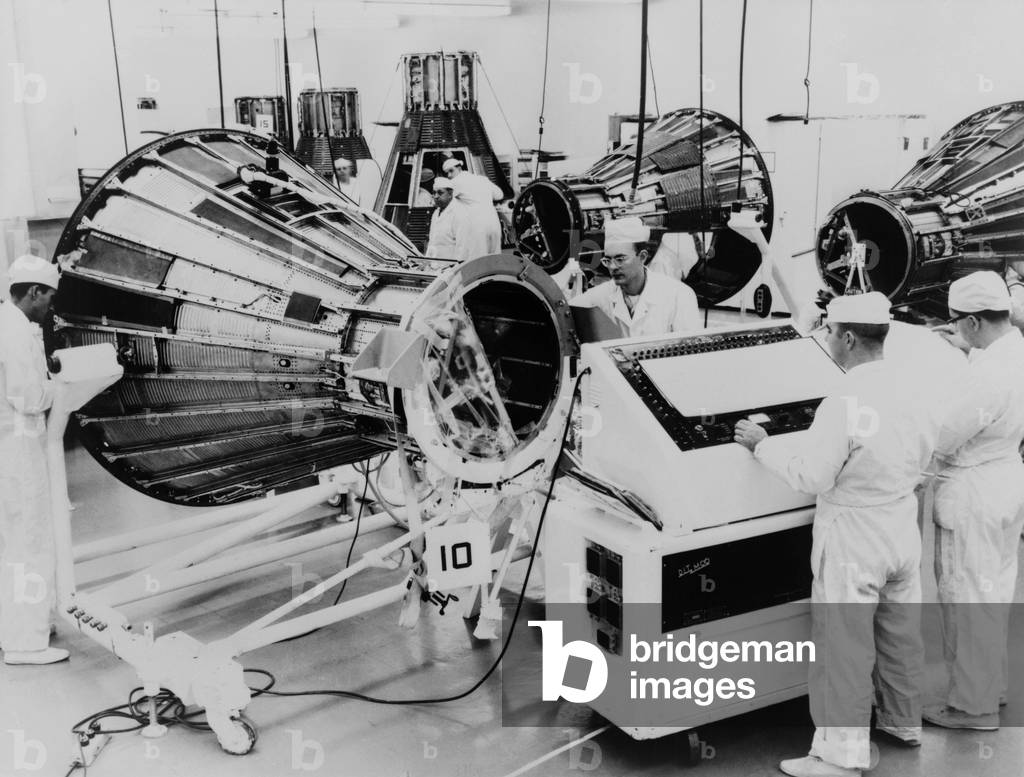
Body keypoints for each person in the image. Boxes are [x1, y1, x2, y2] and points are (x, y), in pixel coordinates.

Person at [734, 292, 939, 777]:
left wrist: (763, 447)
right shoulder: (915, 388)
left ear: (847, 337)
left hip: (854, 536)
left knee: (843, 645)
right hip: (900, 526)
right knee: (899, 633)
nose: (826, 340)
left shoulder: (844, 401)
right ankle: (902, 722)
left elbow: (813, 477)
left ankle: (839, 756)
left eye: (829, 332)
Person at [924, 271, 1024, 731]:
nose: (954, 329)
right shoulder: (1015, 352)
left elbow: (944, 435)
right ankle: (990, 687)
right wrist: (967, 353)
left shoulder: (988, 374)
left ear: (974, 323)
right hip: (1005, 481)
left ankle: (971, 708)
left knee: (965, 596)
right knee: (993, 593)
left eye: (957, 322)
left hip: (973, 492)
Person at [0, 255, 66, 665]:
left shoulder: (12, 325)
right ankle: (26, 643)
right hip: (19, 450)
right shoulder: (14, 333)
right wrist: (61, 386)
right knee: (31, 541)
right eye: (48, 298)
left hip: (14, 447)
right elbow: (26, 397)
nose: (50, 307)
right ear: (33, 292)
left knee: (16, 541)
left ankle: (25, 623)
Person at [570, 217, 701, 337]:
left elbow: (691, 353)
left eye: (620, 259)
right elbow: (567, 311)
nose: (612, 267)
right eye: (607, 260)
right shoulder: (600, 295)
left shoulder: (679, 295)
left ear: (642, 257)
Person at [442, 158, 501, 254]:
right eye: (447, 173)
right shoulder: (482, 179)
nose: (449, 175)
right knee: (494, 259)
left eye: (451, 171)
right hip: (493, 223)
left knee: (477, 260)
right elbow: (499, 195)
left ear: (459, 168)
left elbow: (444, 199)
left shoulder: (455, 182)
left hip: (477, 225)